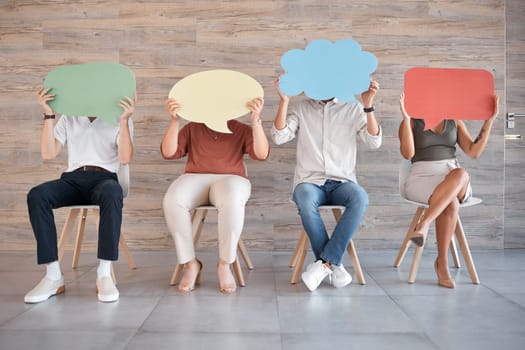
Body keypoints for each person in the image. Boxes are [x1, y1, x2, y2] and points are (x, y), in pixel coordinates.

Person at [25, 87, 136, 303]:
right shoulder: (70, 116)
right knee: (37, 195)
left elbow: (125, 158)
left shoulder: (119, 117)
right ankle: (53, 276)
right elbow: (48, 153)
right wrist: (48, 114)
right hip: (72, 179)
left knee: (113, 192)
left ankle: (104, 273)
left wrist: (124, 121)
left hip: (105, 180)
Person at [271, 77, 382, 292]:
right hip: (310, 181)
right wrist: (284, 101)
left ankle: (324, 264)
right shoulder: (301, 108)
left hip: (342, 181)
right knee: (304, 198)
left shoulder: (353, 108)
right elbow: (279, 137)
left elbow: (374, 141)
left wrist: (368, 105)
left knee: (360, 198)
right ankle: (334, 265)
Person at [161, 97, 269, 294]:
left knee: (232, 197)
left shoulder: (241, 129)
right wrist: (174, 121)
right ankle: (190, 264)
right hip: (195, 177)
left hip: (231, 178)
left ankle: (225, 264)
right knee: (172, 200)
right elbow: (168, 153)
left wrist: (255, 122)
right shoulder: (193, 128)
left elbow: (261, 154)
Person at [398, 92, 499, 288]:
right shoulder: (412, 121)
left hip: (452, 177)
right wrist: (406, 118)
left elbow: (473, 151)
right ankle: (442, 263)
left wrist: (489, 120)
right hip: (421, 178)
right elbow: (407, 153)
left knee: (460, 174)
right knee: (450, 203)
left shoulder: (454, 120)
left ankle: (424, 223)